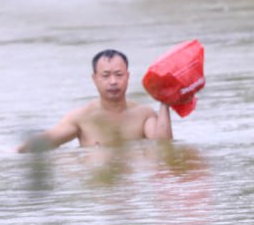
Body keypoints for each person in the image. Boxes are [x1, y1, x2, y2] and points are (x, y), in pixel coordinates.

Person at [17, 49, 173, 152]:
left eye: (119, 74)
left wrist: (165, 103)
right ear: (94, 79)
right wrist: (14, 152)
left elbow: (164, 148)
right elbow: (46, 141)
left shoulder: (144, 115)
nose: (113, 81)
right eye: (105, 76)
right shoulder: (81, 118)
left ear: (128, 77)